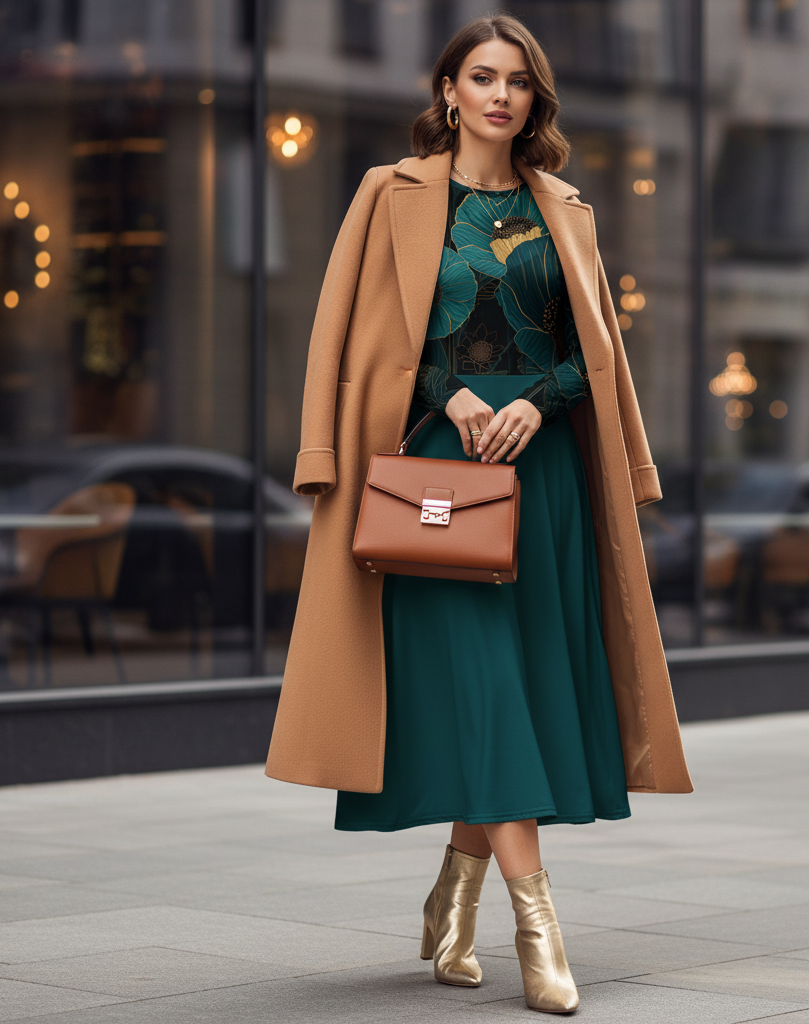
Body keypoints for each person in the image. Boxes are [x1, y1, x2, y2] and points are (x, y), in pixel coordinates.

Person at [265, 14, 692, 1014]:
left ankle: (452, 897)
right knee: (493, 694)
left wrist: (533, 403)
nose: (500, 95)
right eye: (481, 76)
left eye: (517, 82)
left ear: (535, 102)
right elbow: (352, 334)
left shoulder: (567, 210)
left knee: (510, 696)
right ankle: (538, 928)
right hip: (428, 484)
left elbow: (593, 360)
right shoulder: (388, 193)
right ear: (447, 89)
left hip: (538, 485)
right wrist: (445, 395)